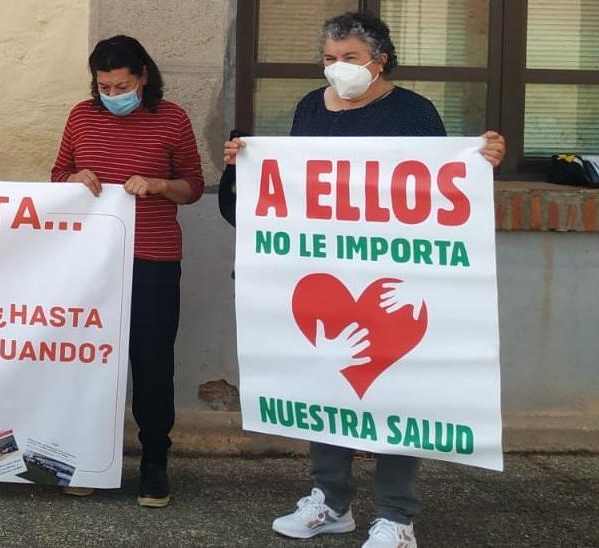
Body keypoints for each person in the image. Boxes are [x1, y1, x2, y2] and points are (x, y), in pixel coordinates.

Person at [223, 12, 505, 548]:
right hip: (324, 276)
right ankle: (330, 502)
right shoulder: (310, 107)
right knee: (327, 381)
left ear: (380, 60)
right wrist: (246, 165)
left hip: (393, 281)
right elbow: (295, 193)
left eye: (350, 58)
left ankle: (397, 517)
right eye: (329, 58)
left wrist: (482, 160)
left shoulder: (413, 111)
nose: (338, 69)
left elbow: (441, 191)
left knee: (397, 391)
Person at [52, 35, 205, 508]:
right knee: (91, 358)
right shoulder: (81, 116)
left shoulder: (172, 117)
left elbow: (194, 187)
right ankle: (90, 455)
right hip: (92, 260)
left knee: (152, 360)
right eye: (104, 86)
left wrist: (160, 185)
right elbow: (57, 175)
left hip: (153, 259)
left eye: (122, 85)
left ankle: (155, 460)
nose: (112, 94)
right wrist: (74, 179)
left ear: (142, 77)